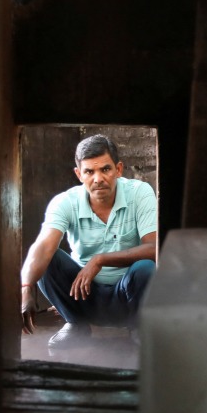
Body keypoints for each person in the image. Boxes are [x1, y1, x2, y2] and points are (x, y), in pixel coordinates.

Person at [20, 134, 157, 348]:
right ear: (79, 174)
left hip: (128, 295)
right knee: (49, 260)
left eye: (105, 169)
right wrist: (26, 289)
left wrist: (100, 259)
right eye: (89, 172)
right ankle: (76, 324)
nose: (98, 178)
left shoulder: (140, 193)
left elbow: (154, 248)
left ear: (118, 169)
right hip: (83, 294)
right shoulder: (65, 202)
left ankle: (138, 326)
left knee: (146, 267)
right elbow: (43, 247)